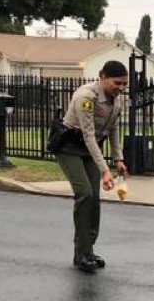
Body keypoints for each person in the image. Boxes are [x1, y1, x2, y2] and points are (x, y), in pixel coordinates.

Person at [55, 60, 129, 273]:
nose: (121, 88)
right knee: (85, 194)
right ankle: (81, 253)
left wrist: (118, 160)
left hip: (90, 150)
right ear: (102, 77)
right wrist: (106, 171)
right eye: (117, 83)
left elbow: (114, 131)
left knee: (94, 199)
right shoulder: (86, 97)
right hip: (70, 148)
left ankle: (89, 249)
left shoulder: (116, 101)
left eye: (124, 84)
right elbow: (88, 135)